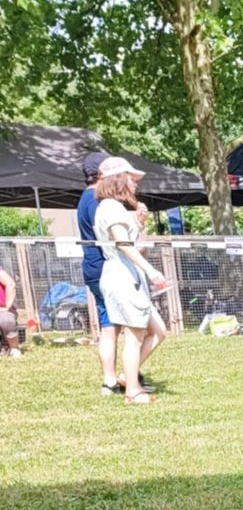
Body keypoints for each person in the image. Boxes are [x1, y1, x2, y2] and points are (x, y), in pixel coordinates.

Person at [92, 157, 169, 403]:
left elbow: (136, 245)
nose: (135, 184)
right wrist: (151, 271)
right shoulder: (110, 208)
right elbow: (123, 244)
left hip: (130, 274)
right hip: (121, 276)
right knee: (135, 335)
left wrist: (141, 224)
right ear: (118, 179)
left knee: (159, 331)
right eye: (132, 179)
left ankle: (128, 375)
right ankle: (133, 391)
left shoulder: (118, 208)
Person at [77, 150, 124, 393]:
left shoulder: (84, 198)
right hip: (106, 268)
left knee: (110, 325)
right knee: (115, 325)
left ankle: (112, 379)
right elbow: (111, 235)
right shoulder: (97, 200)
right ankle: (120, 377)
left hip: (93, 268)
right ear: (102, 173)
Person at [0, 267, 22, 357]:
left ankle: (13, 348)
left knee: (6, 319)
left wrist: (7, 306)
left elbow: (10, 284)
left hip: (2, 308)